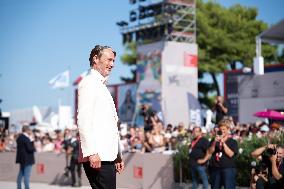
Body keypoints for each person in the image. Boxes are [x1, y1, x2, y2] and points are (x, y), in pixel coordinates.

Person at [77, 45, 124, 189]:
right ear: (95, 59)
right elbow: (84, 120)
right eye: (109, 60)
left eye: (113, 61)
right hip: (98, 155)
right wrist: (91, 153)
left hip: (107, 156)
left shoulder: (100, 86)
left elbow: (110, 127)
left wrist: (117, 155)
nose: (112, 64)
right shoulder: (89, 83)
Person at [207, 119, 238, 189]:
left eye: (224, 129)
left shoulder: (232, 142)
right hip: (215, 168)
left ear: (228, 129)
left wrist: (223, 143)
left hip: (228, 169)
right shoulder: (214, 140)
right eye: (221, 129)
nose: (222, 131)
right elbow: (210, 152)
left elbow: (231, 154)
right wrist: (214, 142)